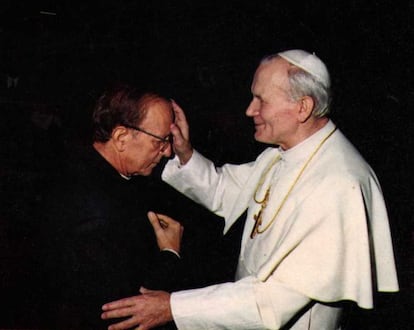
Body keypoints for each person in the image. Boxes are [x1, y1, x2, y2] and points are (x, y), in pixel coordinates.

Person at [101, 50, 399, 329]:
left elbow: (273, 301)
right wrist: (185, 153)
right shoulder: (284, 153)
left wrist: (173, 307)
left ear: (302, 107)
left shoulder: (338, 183)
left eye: (261, 100)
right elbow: (223, 191)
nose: (249, 110)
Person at [35, 85, 184, 329]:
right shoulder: (96, 211)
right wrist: (170, 253)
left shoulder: (88, 166)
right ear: (121, 138)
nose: (167, 152)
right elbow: (131, 311)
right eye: (160, 141)